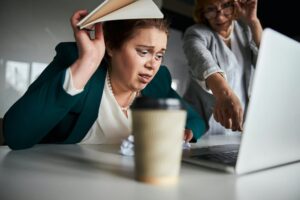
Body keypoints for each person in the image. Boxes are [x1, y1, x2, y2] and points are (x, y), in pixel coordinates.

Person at [3, 10, 206, 150]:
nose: (153, 65)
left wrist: (187, 132)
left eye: (159, 55)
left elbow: (196, 120)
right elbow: (15, 134)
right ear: (110, 47)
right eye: (144, 51)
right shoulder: (78, 63)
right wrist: (87, 62)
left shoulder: (158, 80)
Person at [183, 0, 262, 136]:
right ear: (203, 13)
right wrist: (225, 94)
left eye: (225, 5)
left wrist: (253, 21)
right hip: (201, 125)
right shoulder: (196, 33)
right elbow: (201, 59)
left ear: (235, 5)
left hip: (239, 127)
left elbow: (263, 62)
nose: (219, 17)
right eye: (211, 9)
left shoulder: (245, 31)